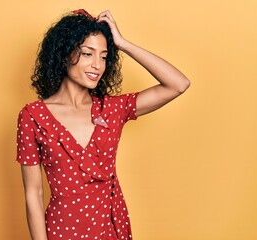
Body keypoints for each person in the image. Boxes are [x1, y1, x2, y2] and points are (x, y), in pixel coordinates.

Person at [16, 9, 190, 240]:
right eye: (88, 54)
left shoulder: (112, 109)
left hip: (110, 229)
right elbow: (33, 195)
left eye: (104, 56)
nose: (97, 65)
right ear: (65, 54)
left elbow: (178, 84)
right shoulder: (32, 116)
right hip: (62, 232)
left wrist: (122, 43)